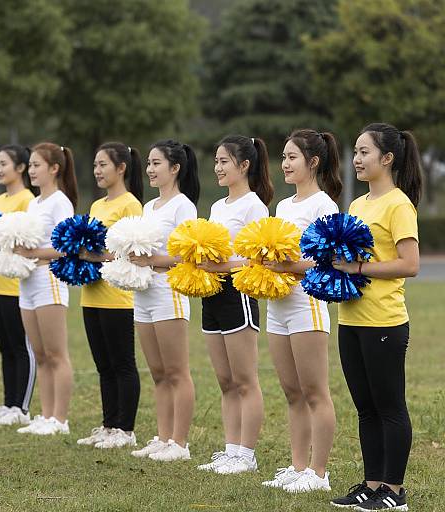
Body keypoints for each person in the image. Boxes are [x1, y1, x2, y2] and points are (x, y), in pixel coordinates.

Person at [330, 123, 421, 511]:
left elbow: (410, 264)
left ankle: (395, 492)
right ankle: (372, 486)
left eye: (365, 152)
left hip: (384, 321)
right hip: (351, 321)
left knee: (389, 407)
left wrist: (360, 269)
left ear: (387, 158)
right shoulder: (358, 205)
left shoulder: (399, 204)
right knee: (365, 408)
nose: (356, 159)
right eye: (355, 151)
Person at [261, 129, 342, 492]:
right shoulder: (283, 206)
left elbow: (330, 260)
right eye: (284, 156)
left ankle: (319, 473)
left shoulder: (324, 205)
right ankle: (298, 467)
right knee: (292, 391)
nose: (285, 163)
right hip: (277, 305)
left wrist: (290, 265)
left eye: (293, 157)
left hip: (307, 305)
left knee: (315, 392)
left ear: (313, 161)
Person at [197, 135, 274, 474]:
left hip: (238, 292)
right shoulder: (217, 207)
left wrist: (220, 266)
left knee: (245, 379)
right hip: (212, 293)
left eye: (224, 161)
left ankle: (247, 454)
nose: (218, 167)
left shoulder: (254, 206)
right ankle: (231, 450)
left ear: (244, 165)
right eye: (216, 161)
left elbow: (257, 258)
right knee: (225, 380)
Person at [129, 139, 199, 462]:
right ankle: (162, 436)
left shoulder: (183, 206)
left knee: (176, 371)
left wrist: (152, 260)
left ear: (175, 168)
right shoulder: (148, 207)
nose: (150, 170)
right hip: (143, 293)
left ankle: (180, 443)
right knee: (157, 371)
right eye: (148, 163)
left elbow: (186, 256)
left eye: (157, 164)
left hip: (169, 292)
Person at [77, 142, 143, 449]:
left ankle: (125, 430)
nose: (97, 171)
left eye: (103, 165)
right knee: (103, 365)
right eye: (95, 165)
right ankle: (108, 425)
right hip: (92, 295)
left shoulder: (131, 204)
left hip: (118, 297)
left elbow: (133, 252)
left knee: (122, 363)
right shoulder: (96, 206)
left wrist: (95, 256)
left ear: (121, 168)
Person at [14, 142, 78, 436]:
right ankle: (45, 415)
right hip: (27, 281)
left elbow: (67, 248)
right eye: (30, 165)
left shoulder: (60, 202)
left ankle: (59, 420)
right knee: (39, 354)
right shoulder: (34, 203)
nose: (32, 171)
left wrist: (33, 253)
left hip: (49, 280)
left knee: (56, 354)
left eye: (37, 165)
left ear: (55, 168)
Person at [0, 145, 36, 426]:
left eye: (4, 164)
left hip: (15, 286)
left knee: (19, 345)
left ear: (21, 168)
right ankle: (8, 403)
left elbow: (28, 241)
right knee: (5, 347)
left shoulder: (27, 200)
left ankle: (22, 408)